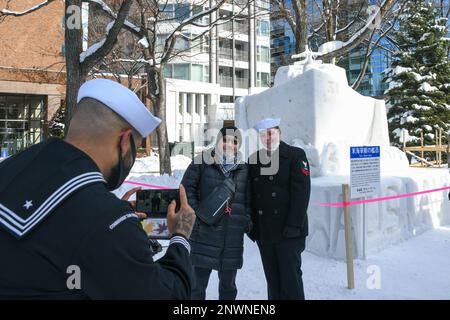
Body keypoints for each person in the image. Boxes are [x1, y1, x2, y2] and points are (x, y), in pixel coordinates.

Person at [0, 79, 196, 299]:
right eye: (136, 148)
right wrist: (180, 235)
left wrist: (107, 216)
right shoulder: (103, 220)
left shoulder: (13, 167)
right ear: (124, 142)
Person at [181, 126, 252, 300]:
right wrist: (198, 214)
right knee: (197, 286)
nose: (229, 144)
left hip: (231, 237)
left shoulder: (244, 169)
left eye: (234, 142)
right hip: (203, 232)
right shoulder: (201, 162)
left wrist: (246, 220)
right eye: (225, 140)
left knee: (228, 287)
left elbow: (249, 199)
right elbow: (186, 189)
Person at [248, 118, 311, 300]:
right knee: (273, 281)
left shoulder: (295, 155)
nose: (267, 138)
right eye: (263, 134)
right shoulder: (255, 160)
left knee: (290, 281)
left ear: (279, 133)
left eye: (271, 133)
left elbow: (302, 194)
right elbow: (250, 194)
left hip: (288, 231)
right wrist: (252, 227)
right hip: (265, 232)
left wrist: (294, 226)